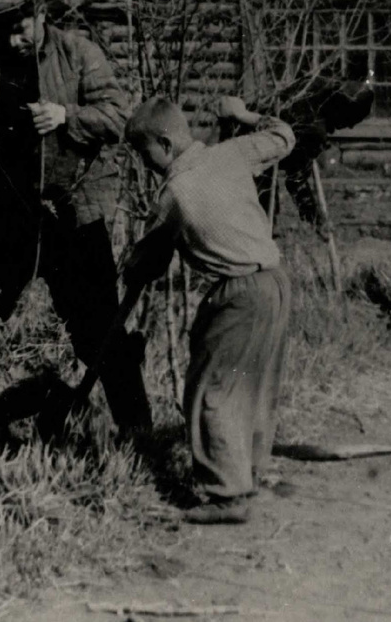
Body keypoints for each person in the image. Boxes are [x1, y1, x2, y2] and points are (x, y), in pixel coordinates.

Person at [0, 0, 151, 451]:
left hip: (71, 216)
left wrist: (68, 117)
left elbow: (118, 116)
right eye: (2, 30)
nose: (14, 40)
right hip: (3, 218)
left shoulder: (78, 52)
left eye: (20, 27)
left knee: (99, 332)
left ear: (40, 13)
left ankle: (138, 433)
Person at [122, 95, 295, 524]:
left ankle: (227, 496)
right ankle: (247, 477)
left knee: (210, 391)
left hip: (239, 293)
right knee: (253, 384)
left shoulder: (174, 194)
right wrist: (242, 116)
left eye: (143, 152)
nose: (142, 162)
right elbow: (283, 136)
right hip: (275, 282)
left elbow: (149, 261)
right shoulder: (232, 153)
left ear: (164, 143)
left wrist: (132, 262)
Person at [224, 77, 374, 233]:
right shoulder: (313, 131)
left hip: (234, 136)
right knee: (259, 222)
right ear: (342, 110)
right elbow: (296, 181)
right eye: (353, 119)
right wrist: (315, 219)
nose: (350, 127)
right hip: (250, 159)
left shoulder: (313, 83)